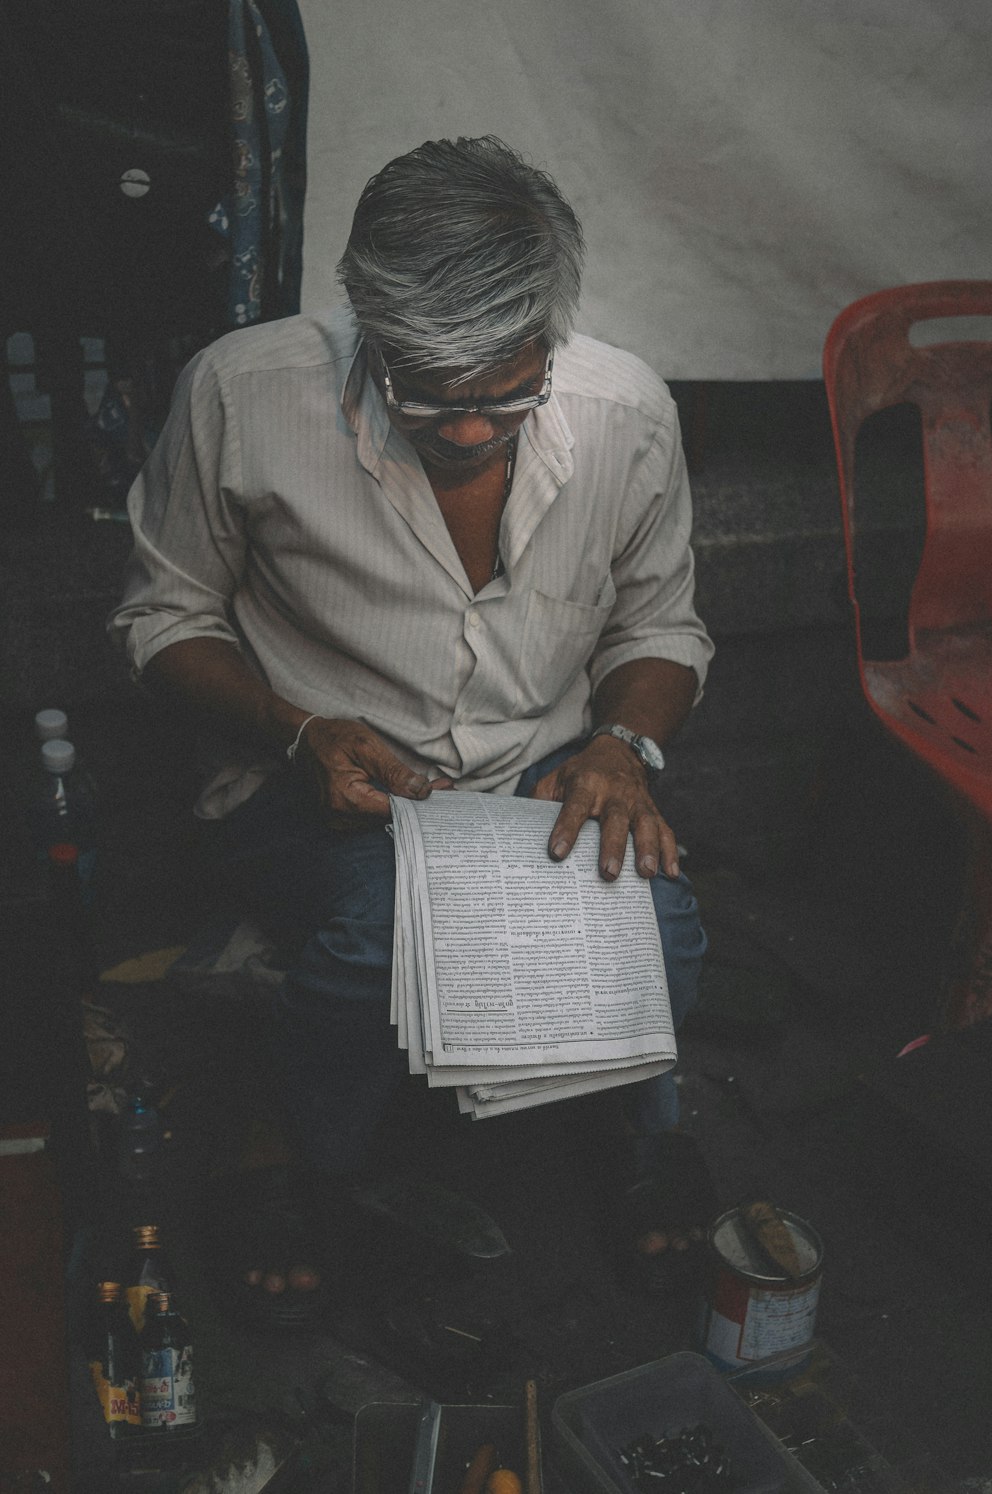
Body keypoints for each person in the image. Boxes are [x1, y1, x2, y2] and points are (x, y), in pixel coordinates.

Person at [109, 135, 716, 1322]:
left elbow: (662, 626)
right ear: (364, 323)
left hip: (541, 769)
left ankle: (633, 1126)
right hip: (310, 782)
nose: (473, 431)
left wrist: (619, 747)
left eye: (506, 391)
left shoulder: (625, 413)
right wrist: (297, 730)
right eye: (425, 392)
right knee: (386, 939)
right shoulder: (243, 391)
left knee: (662, 927)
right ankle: (289, 1146)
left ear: (552, 329)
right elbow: (160, 616)